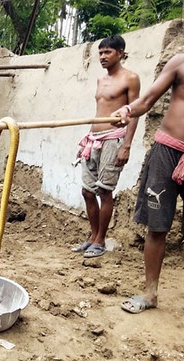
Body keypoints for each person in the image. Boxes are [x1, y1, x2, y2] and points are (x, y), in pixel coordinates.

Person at [115, 2, 184, 329]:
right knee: (157, 225)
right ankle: (150, 293)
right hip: (168, 151)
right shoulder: (183, 61)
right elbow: (147, 100)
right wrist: (129, 111)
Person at [72, 35, 140, 258]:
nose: (102, 56)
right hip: (94, 138)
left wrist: (126, 145)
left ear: (120, 53)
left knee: (104, 190)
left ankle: (100, 240)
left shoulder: (131, 79)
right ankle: (92, 236)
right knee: (87, 191)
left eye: (107, 52)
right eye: (100, 52)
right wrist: (86, 141)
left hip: (114, 138)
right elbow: (99, 111)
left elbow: (135, 113)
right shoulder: (101, 81)